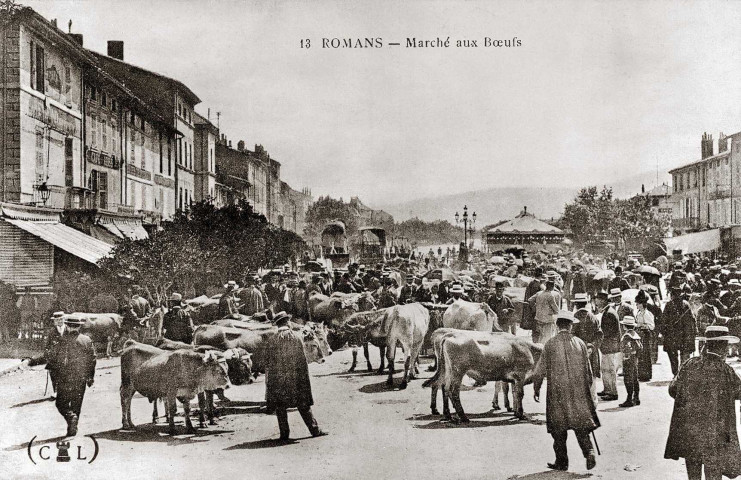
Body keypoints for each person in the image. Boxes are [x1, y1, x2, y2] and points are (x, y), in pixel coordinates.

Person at [665, 325, 741, 480]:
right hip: (715, 432)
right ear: (722, 348)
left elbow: (673, 390)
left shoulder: (689, 365)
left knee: (693, 469)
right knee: (713, 472)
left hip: (690, 430)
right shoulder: (726, 371)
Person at [532, 311, 599, 472]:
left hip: (557, 393)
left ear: (557, 325)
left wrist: (537, 387)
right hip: (578, 393)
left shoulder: (550, 344)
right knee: (581, 425)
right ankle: (589, 452)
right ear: (570, 325)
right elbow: (588, 373)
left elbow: (539, 370)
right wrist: (588, 390)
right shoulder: (580, 343)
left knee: (558, 428)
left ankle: (562, 462)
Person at [265, 311, 327, 441]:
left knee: (280, 407)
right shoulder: (296, 337)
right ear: (287, 322)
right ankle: (315, 430)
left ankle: (284, 435)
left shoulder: (272, 340)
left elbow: (269, 362)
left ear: (277, 325)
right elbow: (301, 360)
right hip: (296, 378)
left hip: (279, 380)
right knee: (303, 405)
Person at [46, 315, 96, 437]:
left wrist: (51, 367)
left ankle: (70, 418)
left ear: (67, 326)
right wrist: (90, 377)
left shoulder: (62, 340)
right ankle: (72, 428)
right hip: (81, 378)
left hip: (64, 377)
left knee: (60, 403)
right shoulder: (87, 340)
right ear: (79, 326)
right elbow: (92, 360)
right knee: (76, 404)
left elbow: (54, 357)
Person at [572, 293, 602, 401]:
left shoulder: (574, 318)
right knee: (592, 378)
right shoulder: (593, 317)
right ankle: (593, 404)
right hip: (592, 352)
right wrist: (592, 347)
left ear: (576, 304)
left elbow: (571, 336)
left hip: (577, 352)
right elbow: (599, 335)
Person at [662, 285, 696, 376]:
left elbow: (663, 320)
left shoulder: (669, 305)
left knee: (673, 356)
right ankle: (682, 373)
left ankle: (675, 373)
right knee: (684, 355)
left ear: (672, 295)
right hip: (684, 335)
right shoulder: (686, 304)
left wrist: (663, 332)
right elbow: (692, 319)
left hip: (672, 335)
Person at [596, 290, 620, 401]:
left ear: (603, 301)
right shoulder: (608, 311)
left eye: (598, 299)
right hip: (608, 346)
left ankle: (612, 392)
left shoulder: (609, 313)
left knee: (610, 370)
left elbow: (608, 332)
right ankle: (607, 389)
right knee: (605, 369)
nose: (596, 301)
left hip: (610, 346)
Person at [619, 316, 643, 408]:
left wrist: (626, 355)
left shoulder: (626, 336)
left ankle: (629, 399)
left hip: (628, 359)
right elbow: (640, 347)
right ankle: (636, 398)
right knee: (635, 379)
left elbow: (627, 347)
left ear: (625, 326)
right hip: (634, 359)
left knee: (628, 379)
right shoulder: (635, 335)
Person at [529, 275, 560, 344]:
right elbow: (556, 309)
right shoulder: (550, 295)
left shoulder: (539, 293)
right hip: (547, 320)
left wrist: (535, 308)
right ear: (552, 287)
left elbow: (530, 300)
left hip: (538, 318)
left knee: (540, 336)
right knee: (547, 338)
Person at [633, 290, 655, 381]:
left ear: (642, 304)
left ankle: (646, 374)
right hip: (640, 335)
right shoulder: (638, 313)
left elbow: (652, 326)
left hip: (645, 335)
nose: (636, 305)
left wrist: (643, 325)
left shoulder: (647, 313)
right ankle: (641, 374)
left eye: (638, 304)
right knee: (640, 354)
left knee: (645, 355)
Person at [44, 311, 67, 398]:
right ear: (54, 321)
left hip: (66, 357)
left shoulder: (68, 330)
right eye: (57, 320)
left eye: (61, 319)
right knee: (54, 375)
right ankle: (56, 392)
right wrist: (47, 354)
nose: (59, 321)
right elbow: (47, 345)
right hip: (54, 358)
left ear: (64, 319)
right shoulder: (52, 332)